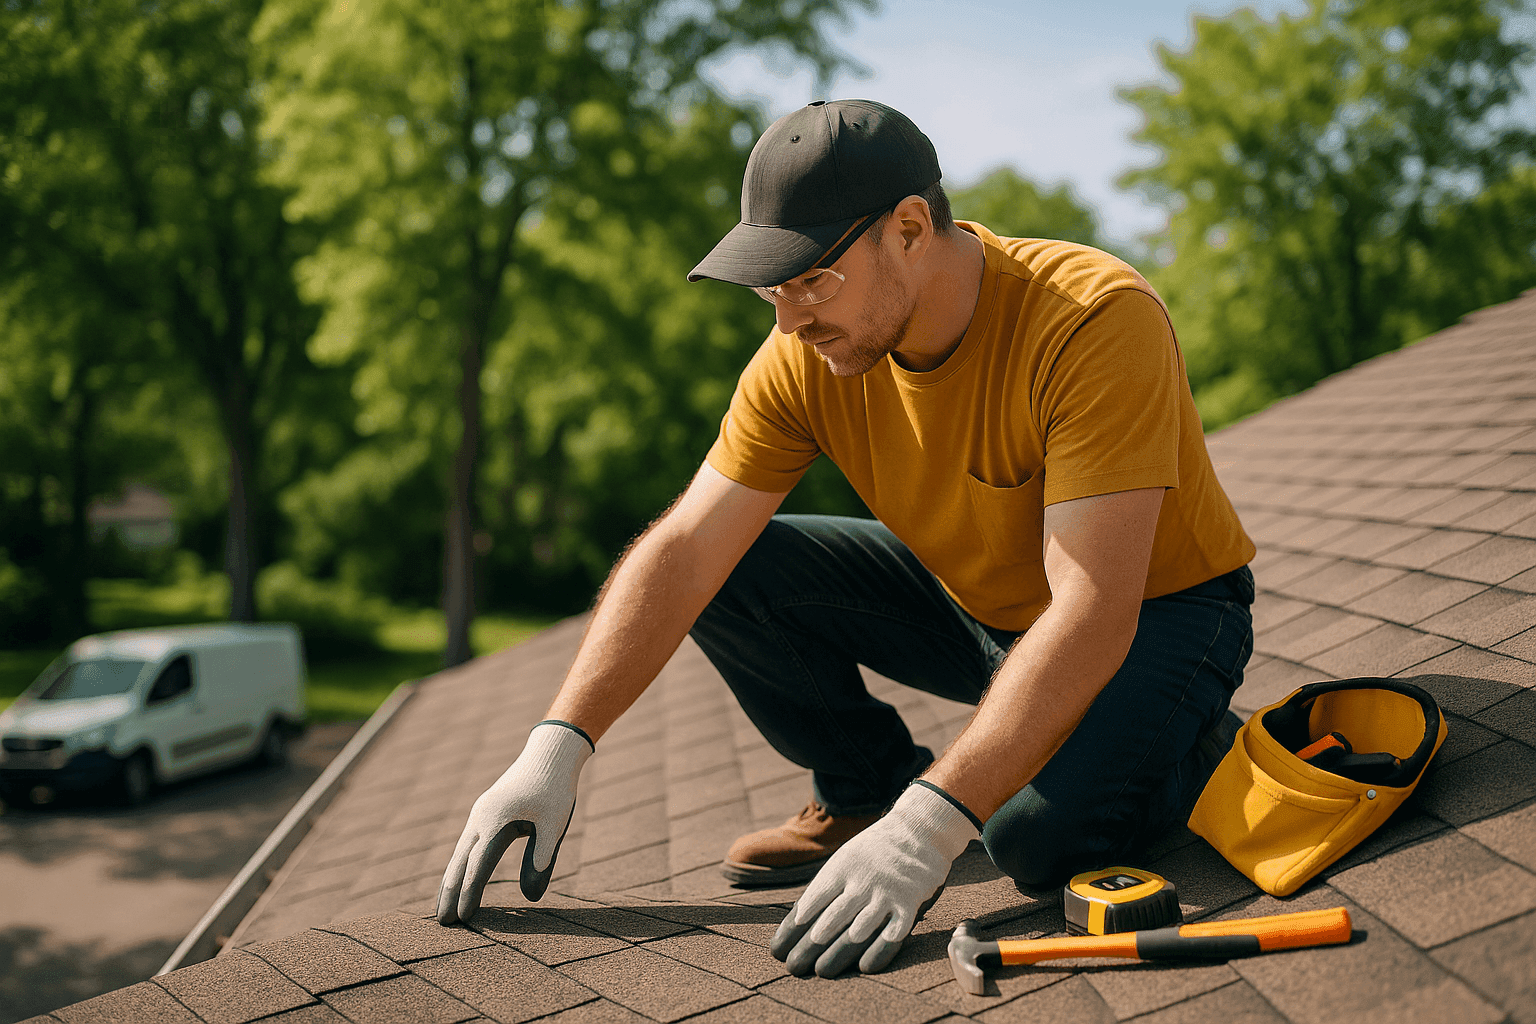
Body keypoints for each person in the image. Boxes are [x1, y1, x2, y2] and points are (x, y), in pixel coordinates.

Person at [436, 98, 1256, 981]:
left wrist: (930, 825)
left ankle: (1188, 735)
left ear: (909, 229)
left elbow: (1094, 611)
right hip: (984, 610)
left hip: (1158, 613)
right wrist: (556, 746)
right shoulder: (807, 354)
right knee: (732, 565)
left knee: (1032, 839)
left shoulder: (1090, 319)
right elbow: (684, 551)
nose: (788, 319)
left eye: (811, 279)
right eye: (769, 286)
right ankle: (864, 789)